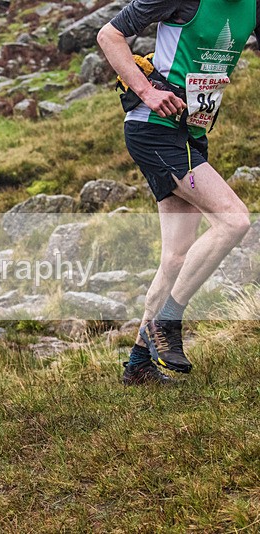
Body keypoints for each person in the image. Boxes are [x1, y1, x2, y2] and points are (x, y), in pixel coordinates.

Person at [98, 0, 260, 385]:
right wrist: (147, 91)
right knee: (233, 220)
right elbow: (109, 35)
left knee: (175, 258)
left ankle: (138, 364)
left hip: (192, 132)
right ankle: (167, 321)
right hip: (153, 127)